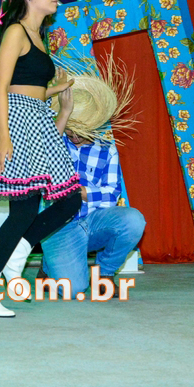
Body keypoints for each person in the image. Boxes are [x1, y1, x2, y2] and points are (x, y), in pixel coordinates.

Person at [0, 0, 82, 317]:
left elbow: (30, 86)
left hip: (37, 117)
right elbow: (1, 87)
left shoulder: (39, 36)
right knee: (25, 209)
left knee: (69, 200)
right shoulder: (16, 31)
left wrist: (57, 95)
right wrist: (4, 137)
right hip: (16, 120)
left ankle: (15, 253)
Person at [40, 71, 145, 295]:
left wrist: (79, 192)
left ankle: (104, 274)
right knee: (73, 290)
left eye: (81, 130)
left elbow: (112, 195)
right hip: (59, 226)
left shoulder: (108, 149)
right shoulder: (54, 138)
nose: (74, 135)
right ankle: (49, 265)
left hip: (93, 220)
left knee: (133, 220)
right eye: (70, 128)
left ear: (94, 124)